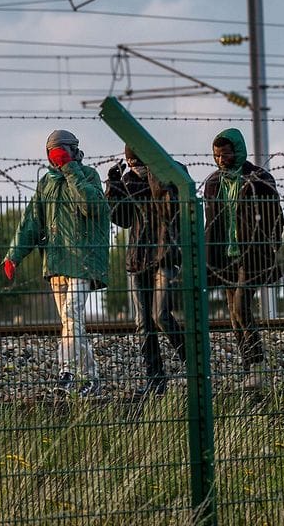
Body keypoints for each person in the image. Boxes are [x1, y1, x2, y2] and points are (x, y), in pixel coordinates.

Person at [3, 130, 110, 397]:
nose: (57, 157)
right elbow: (32, 221)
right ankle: (92, 379)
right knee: (71, 323)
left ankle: (67, 374)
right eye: (53, 152)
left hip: (83, 262)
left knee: (72, 316)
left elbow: (91, 206)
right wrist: (14, 255)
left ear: (74, 150)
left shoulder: (88, 176)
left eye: (62, 151)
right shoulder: (47, 183)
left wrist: (71, 171)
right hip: (56, 262)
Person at [204, 128, 284, 391]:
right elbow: (210, 222)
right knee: (233, 313)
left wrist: (271, 245)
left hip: (253, 254)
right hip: (226, 256)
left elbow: (275, 217)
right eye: (217, 155)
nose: (221, 160)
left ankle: (257, 363)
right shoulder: (213, 183)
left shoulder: (259, 179)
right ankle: (249, 367)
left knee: (240, 306)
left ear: (237, 151)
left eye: (226, 154)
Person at [106, 146, 187, 397]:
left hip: (164, 256)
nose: (133, 167)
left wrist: (153, 173)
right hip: (138, 258)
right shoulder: (128, 181)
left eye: (137, 162)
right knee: (143, 323)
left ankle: (193, 363)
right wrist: (114, 187)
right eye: (129, 162)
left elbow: (172, 208)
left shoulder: (170, 174)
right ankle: (155, 379)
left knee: (160, 315)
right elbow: (122, 219)